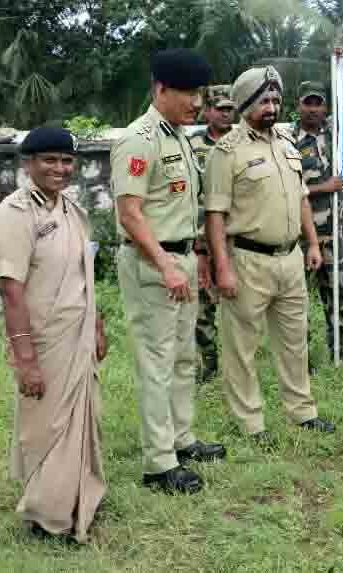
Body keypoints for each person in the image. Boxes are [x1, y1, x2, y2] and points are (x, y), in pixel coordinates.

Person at [111, 49, 226, 495]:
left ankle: (181, 439)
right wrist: (165, 264)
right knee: (156, 362)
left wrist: (192, 260)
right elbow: (130, 213)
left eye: (200, 94)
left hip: (179, 260)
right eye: (188, 93)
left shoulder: (177, 135)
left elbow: (178, 207)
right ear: (161, 89)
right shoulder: (140, 138)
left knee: (181, 357)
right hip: (151, 263)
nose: (197, 103)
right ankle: (159, 464)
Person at [204, 65, 336, 444]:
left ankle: (302, 412)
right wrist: (223, 269)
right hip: (248, 260)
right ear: (245, 103)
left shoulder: (285, 143)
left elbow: (301, 198)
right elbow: (215, 215)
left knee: (295, 341)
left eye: (276, 99)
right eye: (264, 100)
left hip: (291, 258)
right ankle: (251, 423)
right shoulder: (226, 152)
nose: (272, 106)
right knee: (242, 347)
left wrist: (312, 244)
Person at [0, 127, 107, 541]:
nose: (60, 168)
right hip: (43, 339)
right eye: (49, 160)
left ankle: (78, 497)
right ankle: (47, 515)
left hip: (77, 331)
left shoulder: (71, 208)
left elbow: (83, 272)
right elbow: (10, 289)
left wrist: (96, 324)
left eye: (67, 160)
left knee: (79, 419)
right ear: (28, 163)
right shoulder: (16, 212)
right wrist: (24, 358)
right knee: (47, 425)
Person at [289, 80, 343, 367]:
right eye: (308, 103)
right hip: (302, 234)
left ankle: (341, 349)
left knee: (337, 294)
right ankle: (302, 359)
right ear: (298, 105)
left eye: (318, 103)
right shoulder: (288, 140)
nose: (313, 109)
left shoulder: (337, 135)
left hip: (333, 233)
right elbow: (289, 187)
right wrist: (326, 187)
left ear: (326, 106)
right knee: (298, 300)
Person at [189, 84, 236, 383]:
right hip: (203, 235)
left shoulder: (243, 143)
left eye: (231, 108)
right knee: (203, 304)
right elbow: (188, 196)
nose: (226, 114)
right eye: (220, 108)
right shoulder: (193, 146)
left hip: (237, 235)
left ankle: (239, 364)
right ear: (207, 111)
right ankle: (210, 364)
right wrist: (197, 243)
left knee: (240, 302)